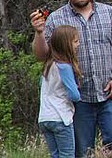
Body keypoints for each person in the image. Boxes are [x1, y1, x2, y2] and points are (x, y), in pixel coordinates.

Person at [31, 0, 112, 157]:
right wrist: (38, 33)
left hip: (108, 92)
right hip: (77, 100)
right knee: (82, 150)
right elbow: (42, 55)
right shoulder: (56, 18)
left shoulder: (109, 13)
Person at [37, 25, 81, 158]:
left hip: (44, 117)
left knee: (54, 154)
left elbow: (43, 87)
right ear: (66, 44)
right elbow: (74, 95)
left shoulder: (47, 66)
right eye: (75, 41)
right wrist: (77, 90)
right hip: (61, 117)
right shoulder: (65, 67)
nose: (78, 44)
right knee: (67, 155)